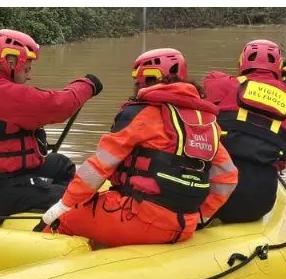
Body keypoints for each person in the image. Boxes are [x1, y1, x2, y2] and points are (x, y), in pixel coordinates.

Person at [41, 49, 238, 247]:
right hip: (185, 226)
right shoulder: (208, 123)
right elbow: (228, 177)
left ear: (144, 80)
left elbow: (98, 167)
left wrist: (63, 206)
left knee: (63, 221)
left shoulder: (143, 113)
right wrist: (201, 217)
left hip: (140, 219)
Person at [0, 29, 102, 218]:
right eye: (27, 67)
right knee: (72, 199)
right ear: (11, 60)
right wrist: (87, 84)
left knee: (59, 164)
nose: (29, 75)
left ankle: (55, 210)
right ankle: (68, 209)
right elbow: (58, 105)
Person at [201, 40, 286, 224]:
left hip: (209, 195)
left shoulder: (220, 85)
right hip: (255, 203)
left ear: (241, 63)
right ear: (281, 69)